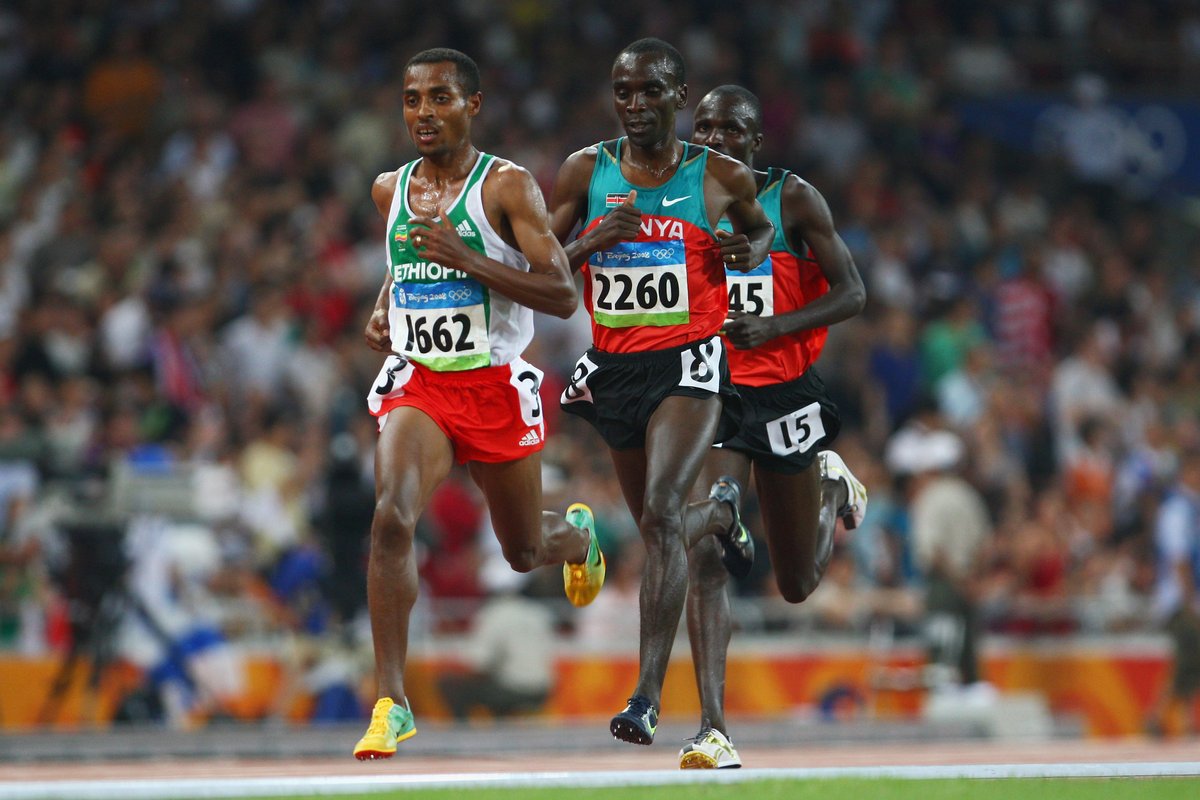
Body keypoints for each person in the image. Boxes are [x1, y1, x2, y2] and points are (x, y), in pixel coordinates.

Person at [353, 48, 605, 760]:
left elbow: (560, 294)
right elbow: (407, 261)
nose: (423, 113)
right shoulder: (388, 189)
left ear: (473, 105)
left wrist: (472, 261)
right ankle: (391, 702)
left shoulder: (508, 187)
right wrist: (385, 307)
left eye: (439, 98)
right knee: (390, 521)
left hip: (493, 384)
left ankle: (577, 538)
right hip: (422, 382)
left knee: (524, 553)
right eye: (411, 99)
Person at [547, 39, 775, 747]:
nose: (636, 104)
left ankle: (645, 695)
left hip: (689, 360)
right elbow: (539, 267)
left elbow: (761, 228)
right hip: (616, 365)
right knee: (659, 527)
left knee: (661, 508)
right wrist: (589, 243)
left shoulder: (719, 176)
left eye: (650, 91)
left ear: (679, 96)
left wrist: (751, 251)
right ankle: (726, 508)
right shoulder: (586, 170)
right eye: (624, 91)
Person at [678, 85, 868, 769]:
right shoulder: (679, 199)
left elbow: (853, 293)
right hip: (714, 393)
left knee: (796, 583)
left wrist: (777, 328)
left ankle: (832, 491)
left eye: (730, 129)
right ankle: (712, 729)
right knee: (705, 546)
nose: (714, 139)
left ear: (756, 141)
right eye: (703, 127)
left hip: (785, 395)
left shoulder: (793, 200)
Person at [1146, 448, 1200, 737]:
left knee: (1190, 657)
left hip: (1190, 597)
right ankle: (1159, 714)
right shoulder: (1177, 510)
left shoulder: (1193, 507)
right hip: (1178, 599)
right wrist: (1190, 601)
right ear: (1187, 473)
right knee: (1192, 652)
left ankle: (1180, 719)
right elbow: (1179, 559)